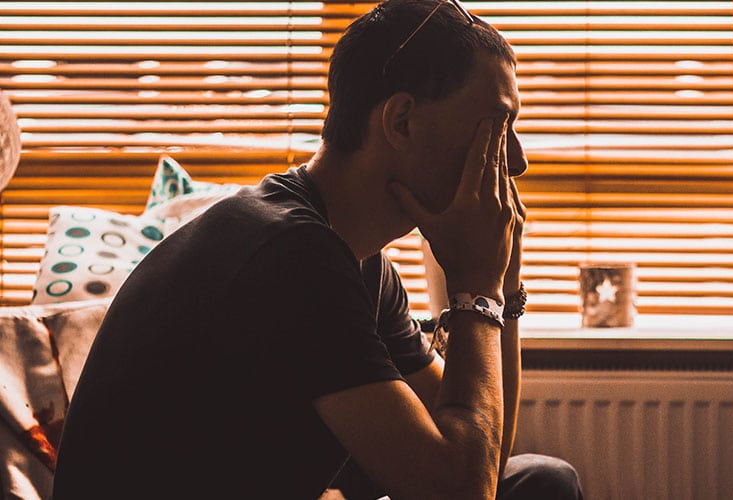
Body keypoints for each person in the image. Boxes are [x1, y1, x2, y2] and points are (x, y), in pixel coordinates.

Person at [52, 0, 584, 499]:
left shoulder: (358, 260)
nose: (516, 161)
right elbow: (459, 491)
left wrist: (502, 286)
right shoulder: (289, 253)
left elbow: (483, 459)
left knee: (540, 481)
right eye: (497, 126)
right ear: (400, 121)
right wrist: (477, 286)